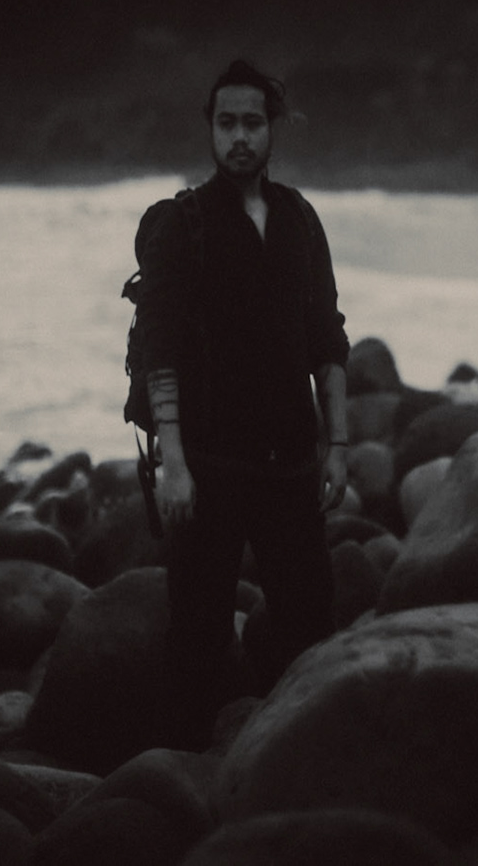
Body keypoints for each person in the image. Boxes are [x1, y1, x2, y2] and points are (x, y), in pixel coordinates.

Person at [134, 59, 351, 747]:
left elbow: (328, 337)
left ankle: (302, 763)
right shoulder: (184, 223)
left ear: (272, 130)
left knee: (311, 627)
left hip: (290, 462)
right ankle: (185, 780)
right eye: (226, 123)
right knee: (195, 639)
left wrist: (338, 443)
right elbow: (157, 349)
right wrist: (172, 461)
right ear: (210, 129)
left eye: (251, 123)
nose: (238, 138)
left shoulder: (299, 218)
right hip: (208, 462)